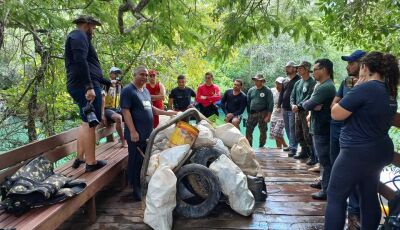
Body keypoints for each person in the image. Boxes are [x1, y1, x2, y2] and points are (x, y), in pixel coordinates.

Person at [326, 52, 399, 229]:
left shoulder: (365, 88)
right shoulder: (389, 92)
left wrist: (357, 86)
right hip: (379, 151)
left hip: (356, 152)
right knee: (369, 194)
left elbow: (336, 113)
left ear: (365, 68)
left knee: (335, 195)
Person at [65, 15, 115, 172]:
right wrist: (88, 87)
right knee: (90, 123)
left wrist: (107, 82)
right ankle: (91, 163)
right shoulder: (79, 35)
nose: (93, 31)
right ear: (87, 25)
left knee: (86, 120)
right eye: (93, 27)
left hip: (86, 83)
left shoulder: (78, 37)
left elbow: (89, 65)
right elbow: (80, 61)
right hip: (84, 85)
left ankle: (80, 158)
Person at [121, 66, 177, 201]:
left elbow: (151, 108)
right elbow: (125, 111)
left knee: (144, 160)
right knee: (135, 160)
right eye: (142, 74)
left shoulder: (145, 90)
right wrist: (133, 131)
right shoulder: (128, 91)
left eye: (146, 75)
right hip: (135, 135)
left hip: (147, 134)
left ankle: (142, 183)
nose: (145, 77)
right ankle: (135, 189)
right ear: (134, 75)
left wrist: (167, 113)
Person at [329, 50, 366, 228]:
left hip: (359, 142)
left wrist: (344, 107)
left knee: (358, 181)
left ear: (363, 65)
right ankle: (351, 214)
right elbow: (334, 106)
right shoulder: (345, 82)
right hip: (341, 133)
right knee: (342, 179)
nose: (348, 66)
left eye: (351, 63)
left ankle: (355, 214)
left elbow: (342, 108)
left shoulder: (368, 87)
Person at [302, 59, 336, 200]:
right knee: (322, 159)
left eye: (315, 69)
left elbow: (308, 104)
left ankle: (326, 190)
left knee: (325, 160)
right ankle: (323, 183)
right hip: (318, 127)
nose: (313, 72)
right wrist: (311, 105)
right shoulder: (320, 85)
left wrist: (311, 105)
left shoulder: (326, 87)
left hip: (323, 128)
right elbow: (309, 103)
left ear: (324, 70)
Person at [290, 61, 317, 164]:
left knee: (307, 134)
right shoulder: (298, 82)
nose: (298, 70)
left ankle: (312, 155)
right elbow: (292, 95)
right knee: (298, 132)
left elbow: (310, 96)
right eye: (298, 68)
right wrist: (292, 105)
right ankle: (304, 151)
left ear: (306, 69)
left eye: (300, 68)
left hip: (306, 111)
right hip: (297, 112)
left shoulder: (312, 82)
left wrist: (299, 105)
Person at [278, 61, 301, 157]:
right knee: (287, 128)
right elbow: (282, 94)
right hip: (285, 108)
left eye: (289, 67)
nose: (286, 69)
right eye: (286, 67)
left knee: (292, 128)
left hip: (293, 108)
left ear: (295, 69)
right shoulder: (285, 81)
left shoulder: (299, 80)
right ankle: (291, 145)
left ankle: (293, 148)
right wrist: (279, 105)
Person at [246, 74, 274, 148]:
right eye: (255, 80)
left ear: (262, 81)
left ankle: (261, 146)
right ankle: (249, 147)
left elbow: (271, 103)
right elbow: (248, 102)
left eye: (257, 80)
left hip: (263, 113)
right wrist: (249, 113)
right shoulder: (251, 90)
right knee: (248, 130)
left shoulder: (267, 90)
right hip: (252, 113)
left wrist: (268, 116)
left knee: (263, 131)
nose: (255, 81)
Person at [102, 67, 127, 147]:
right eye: (115, 73)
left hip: (117, 109)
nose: (116, 75)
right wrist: (102, 115)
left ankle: (127, 137)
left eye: (118, 73)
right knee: (118, 117)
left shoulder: (119, 86)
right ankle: (123, 141)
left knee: (131, 114)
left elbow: (123, 99)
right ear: (110, 74)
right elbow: (102, 99)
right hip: (107, 109)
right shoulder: (105, 84)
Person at [270, 77, 288, 149]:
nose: (277, 85)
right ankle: (279, 149)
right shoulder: (272, 90)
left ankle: (286, 146)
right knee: (274, 135)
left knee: (277, 133)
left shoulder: (286, 92)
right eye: (276, 83)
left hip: (282, 116)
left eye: (280, 84)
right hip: (274, 115)